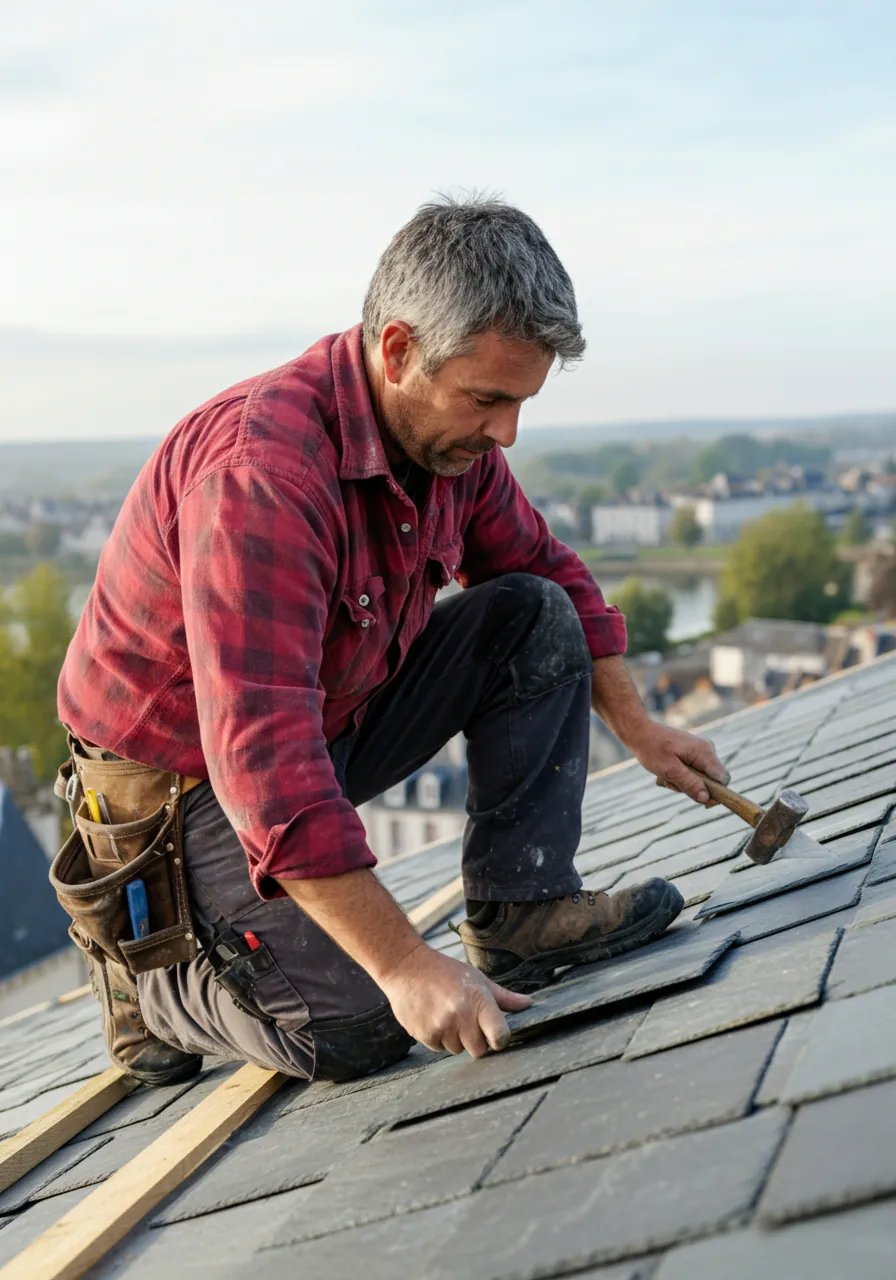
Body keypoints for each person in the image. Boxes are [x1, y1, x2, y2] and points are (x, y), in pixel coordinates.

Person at [56, 196, 728, 1086]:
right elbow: (265, 756)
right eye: (487, 399)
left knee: (531, 612)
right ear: (399, 349)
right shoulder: (264, 473)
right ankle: (152, 981)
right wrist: (406, 964)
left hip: (324, 726)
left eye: (519, 402)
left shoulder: (446, 446)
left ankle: (523, 910)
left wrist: (641, 728)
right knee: (356, 1031)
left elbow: (549, 572)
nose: (505, 434)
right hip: (181, 793)